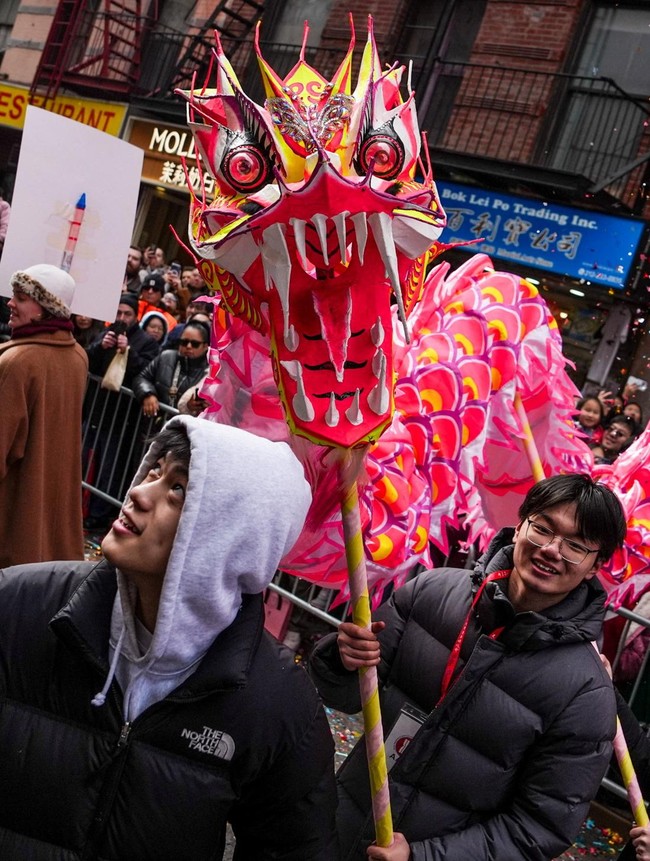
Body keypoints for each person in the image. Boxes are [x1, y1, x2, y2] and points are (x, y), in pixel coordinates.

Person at [0, 417, 338, 860]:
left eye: (178, 489)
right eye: (155, 471)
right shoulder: (18, 605)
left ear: (231, 535)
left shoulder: (280, 706)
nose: (139, 492)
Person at [309, 473, 627, 861]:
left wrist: (423, 857)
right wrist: (342, 658)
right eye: (542, 529)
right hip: (339, 825)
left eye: (576, 546)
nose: (551, 550)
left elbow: (539, 827)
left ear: (596, 565)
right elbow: (343, 693)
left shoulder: (586, 691)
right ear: (520, 524)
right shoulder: (432, 592)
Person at [0, 264, 88, 567]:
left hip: (14, 507)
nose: (11, 303)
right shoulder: (78, 356)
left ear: (45, 309)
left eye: (22, 298)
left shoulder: (16, 362)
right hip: (53, 507)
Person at [84, 293, 160, 529]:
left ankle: (98, 514)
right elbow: (87, 361)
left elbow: (147, 372)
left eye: (127, 314)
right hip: (95, 408)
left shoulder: (146, 341)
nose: (122, 318)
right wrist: (100, 347)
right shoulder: (106, 333)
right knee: (84, 459)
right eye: (118, 313)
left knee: (109, 467)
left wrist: (129, 352)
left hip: (120, 417)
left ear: (136, 316)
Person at [133, 320, 210, 417]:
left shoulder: (209, 372)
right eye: (184, 342)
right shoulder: (166, 356)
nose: (188, 346)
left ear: (205, 346)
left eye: (195, 344)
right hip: (152, 422)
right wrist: (147, 394)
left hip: (180, 428)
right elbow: (141, 378)